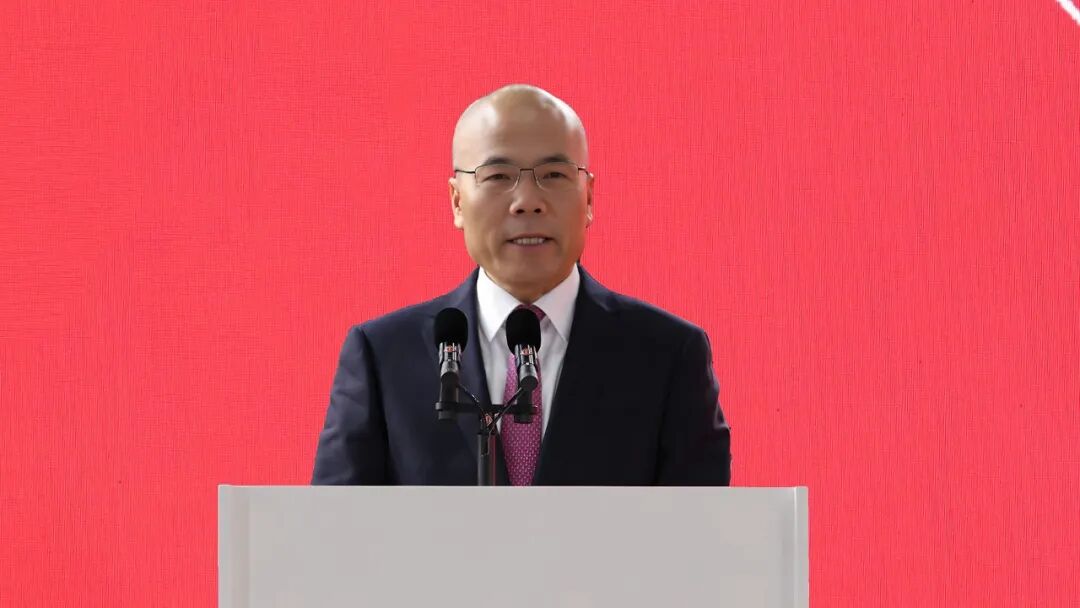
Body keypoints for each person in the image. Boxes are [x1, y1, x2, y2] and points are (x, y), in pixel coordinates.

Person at [312, 84, 730, 485]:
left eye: (554, 175)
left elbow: (701, 527)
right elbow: (331, 526)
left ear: (588, 198)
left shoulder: (669, 357)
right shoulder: (383, 357)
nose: (527, 201)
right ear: (457, 201)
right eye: (498, 176)